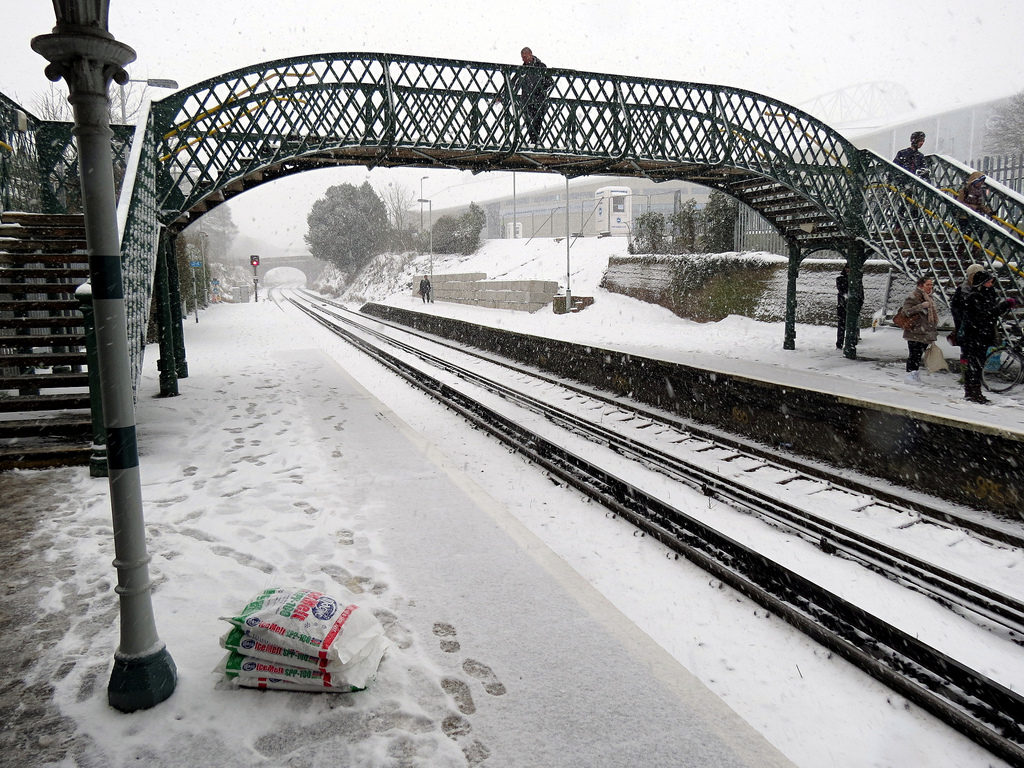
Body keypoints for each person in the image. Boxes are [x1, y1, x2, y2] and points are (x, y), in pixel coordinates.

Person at [959, 271, 1017, 404]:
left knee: (977, 364)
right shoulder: (974, 297)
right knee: (975, 364)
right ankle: (973, 393)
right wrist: (1004, 305)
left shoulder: (986, 295)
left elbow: (991, 313)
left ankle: (974, 392)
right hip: (975, 336)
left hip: (982, 335)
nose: (991, 285)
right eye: (989, 282)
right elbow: (986, 314)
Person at [498, 47, 554, 145]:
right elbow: (512, 83)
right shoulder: (522, 69)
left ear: (531, 54)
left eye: (525, 56)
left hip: (539, 100)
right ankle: (534, 143)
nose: (523, 59)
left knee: (537, 122)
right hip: (526, 101)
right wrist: (502, 95)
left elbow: (550, 82)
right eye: (522, 57)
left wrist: (540, 89)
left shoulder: (541, 66)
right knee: (529, 123)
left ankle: (535, 142)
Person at [900, 275, 938, 385]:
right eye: (928, 284)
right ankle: (910, 375)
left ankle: (914, 374)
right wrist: (921, 306)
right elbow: (905, 312)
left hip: (925, 332)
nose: (930, 287)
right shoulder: (914, 297)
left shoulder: (929, 297)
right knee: (914, 354)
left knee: (918, 354)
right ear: (921, 285)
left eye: (931, 284)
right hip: (915, 331)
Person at [892, 131, 929, 221]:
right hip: (904, 183)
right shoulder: (903, 153)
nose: (922, 143)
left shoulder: (920, 156)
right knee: (909, 202)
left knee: (911, 202)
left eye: (923, 140)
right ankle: (905, 224)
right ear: (914, 140)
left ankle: (906, 225)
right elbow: (893, 168)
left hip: (913, 184)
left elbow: (924, 169)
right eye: (920, 140)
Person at [835, 265, 849, 349]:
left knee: (850, 326)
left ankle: (851, 342)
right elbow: (841, 290)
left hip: (849, 306)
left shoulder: (855, 279)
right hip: (842, 306)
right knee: (841, 325)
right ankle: (839, 343)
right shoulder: (840, 279)